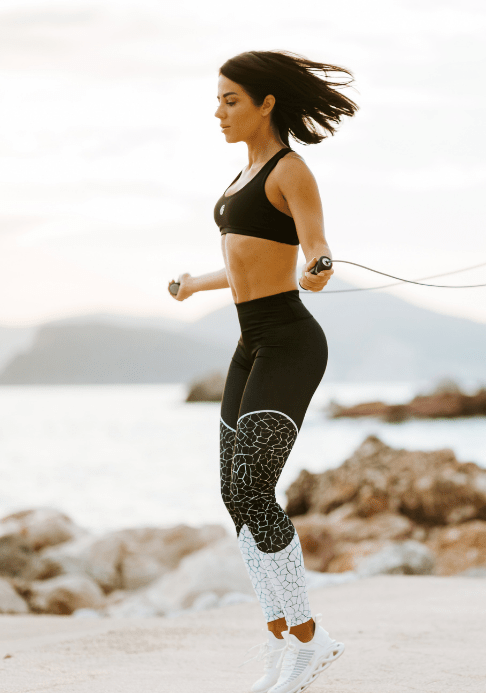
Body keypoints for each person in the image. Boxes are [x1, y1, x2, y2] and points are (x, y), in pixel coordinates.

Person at [169, 50, 357, 693]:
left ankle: (309, 640)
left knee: (254, 489)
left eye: (230, 100)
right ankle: (283, 640)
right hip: (250, 343)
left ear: (265, 104)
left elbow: (314, 249)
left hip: (290, 343)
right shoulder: (240, 176)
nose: (218, 112)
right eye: (217, 100)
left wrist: (321, 267)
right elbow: (250, 261)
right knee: (234, 494)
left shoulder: (290, 171)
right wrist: (197, 282)